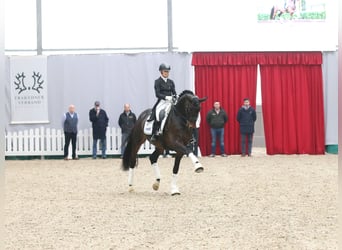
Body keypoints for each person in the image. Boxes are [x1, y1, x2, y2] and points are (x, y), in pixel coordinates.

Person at [148, 63, 177, 142]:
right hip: (162, 101)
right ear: (161, 72)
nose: (167, 73)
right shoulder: (157, 81)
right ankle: (155, 132)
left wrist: (175, 96)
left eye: (168, 72)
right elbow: (157, 94)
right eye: (165, 71)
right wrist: (166, 97)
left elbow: (174, 92)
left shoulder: (171, 82)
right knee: (158, 114)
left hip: (171, 101)